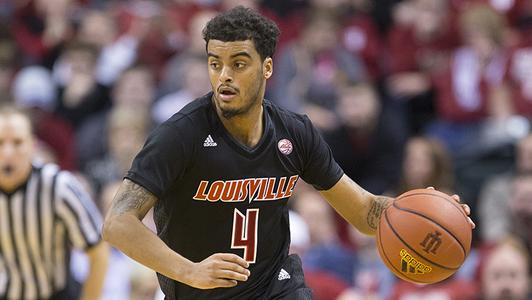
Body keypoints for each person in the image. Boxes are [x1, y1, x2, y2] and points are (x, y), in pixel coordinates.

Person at [102, 6, 474, 300]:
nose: (223, 76)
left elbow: (362, 212)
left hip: (275, 287)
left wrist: (430, 212)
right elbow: (118, 223)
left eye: (238, 63)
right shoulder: (179, 135)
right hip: (197, 293)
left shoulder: (295, 132)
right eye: (215, 64)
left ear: (267, 68)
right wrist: (189, 271)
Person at [0, 105, 108, 299]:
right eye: (0, 142)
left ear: (32, 145)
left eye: (17, 142)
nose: (8, 152)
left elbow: (98, 253)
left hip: (56, 293)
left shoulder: (59, 187)